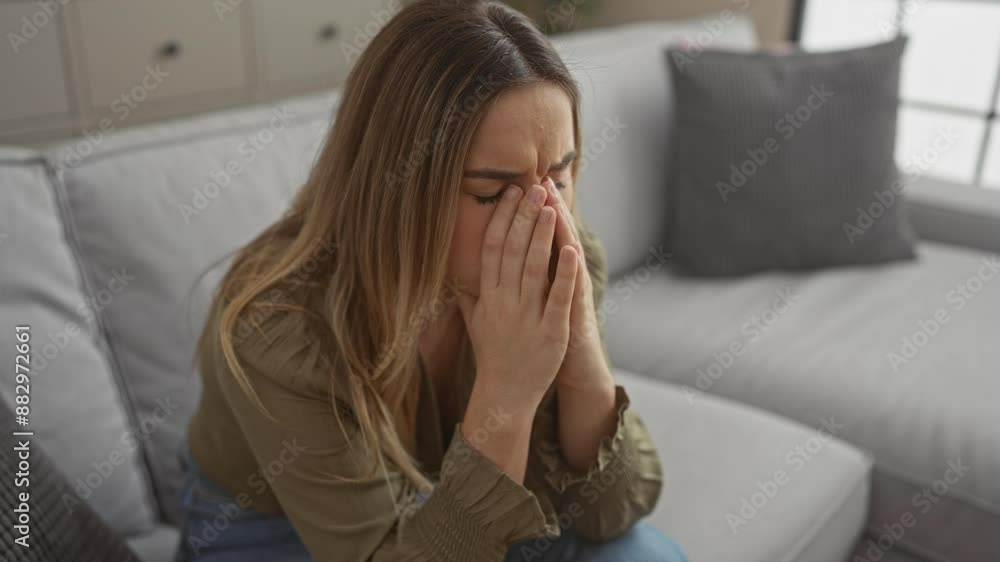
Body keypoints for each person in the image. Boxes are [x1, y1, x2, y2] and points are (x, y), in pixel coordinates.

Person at [175, 1, 689, 561]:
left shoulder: (565, 255)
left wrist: (580, 351)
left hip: (460, 496)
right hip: (275, 530)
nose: (545, 219)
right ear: (396, 188)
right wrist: (509, 388)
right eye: (492, 193)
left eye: (559, 177)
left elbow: (613, 512)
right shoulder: (278, 328)